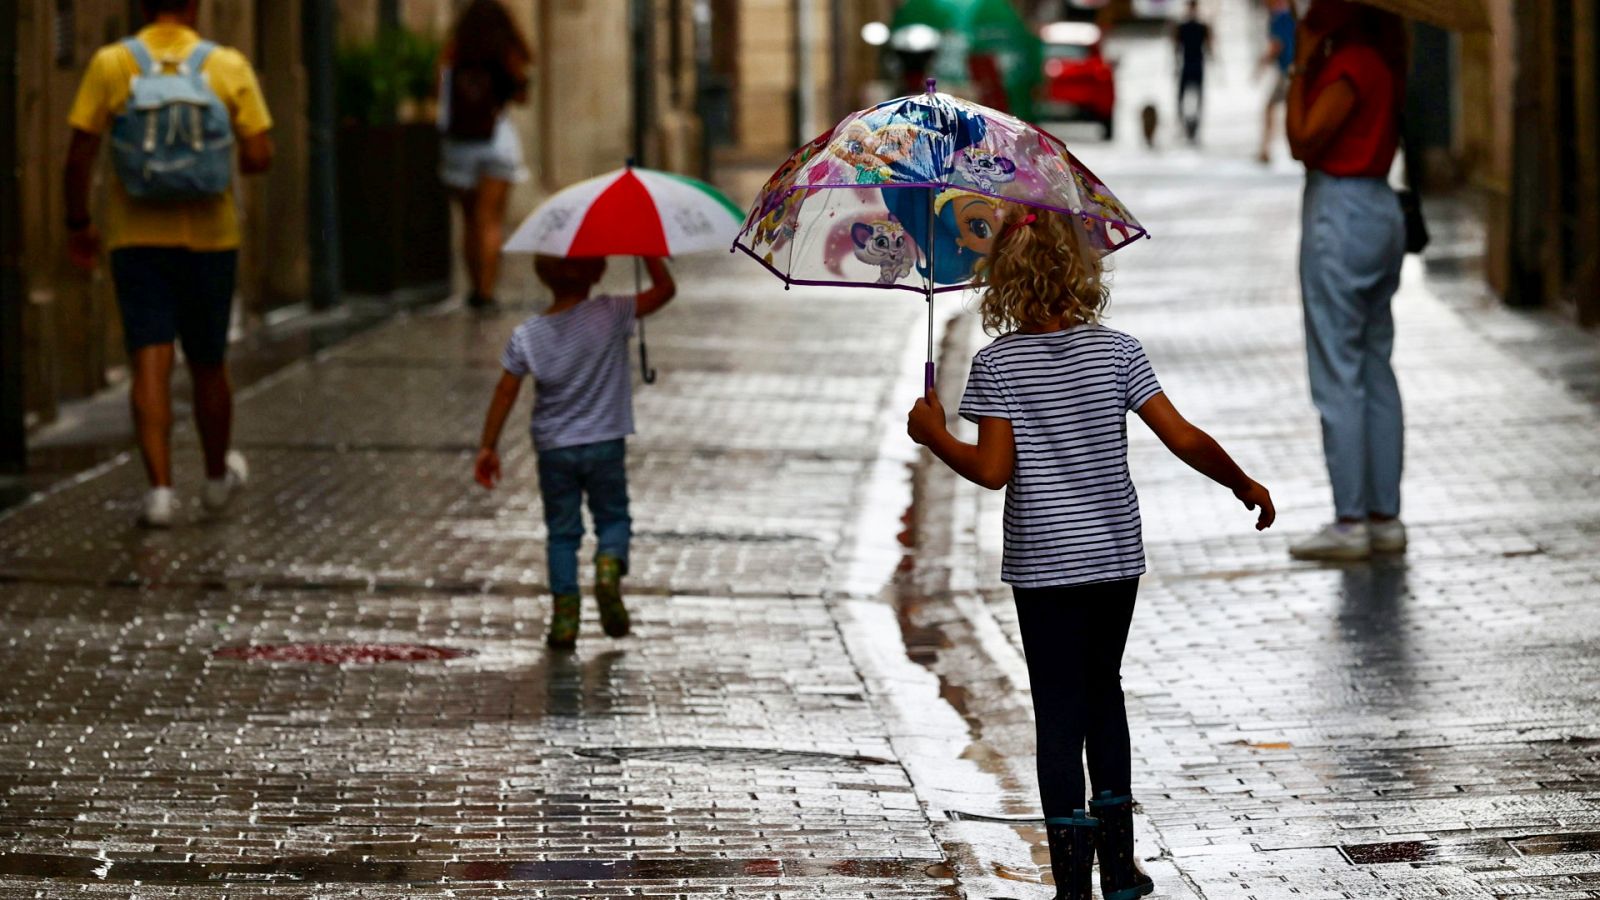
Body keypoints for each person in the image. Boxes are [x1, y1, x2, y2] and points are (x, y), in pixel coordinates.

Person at [905, 210, 1273, 899]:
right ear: (1082, 271)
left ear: (1001, 281)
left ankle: (1072, 879)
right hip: (1112, 559)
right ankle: (1119, 867)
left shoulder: (997, 364)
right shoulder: (1119, 352)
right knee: (1104, 692)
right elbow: (1183, 437)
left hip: (1045, 565)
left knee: (1058, 709)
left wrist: (934, 435)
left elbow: (991, 471)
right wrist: (1240, 481)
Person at [63, 0, 274, 527]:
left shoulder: (113, 64)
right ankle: (215, 478)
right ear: (195, 8)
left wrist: (78, 224)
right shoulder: (226, 65)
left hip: (135, 237)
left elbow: (79, 152)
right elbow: (261, 154)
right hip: (212, 237)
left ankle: (159, 492)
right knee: (208, 363)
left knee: (149, 361)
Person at [473, 255, 675, 649]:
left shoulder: (527, 334)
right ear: (598, 271)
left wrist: (488, 446)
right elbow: (665, 292)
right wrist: (650, 254)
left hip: (554, 450)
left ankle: (565, 616)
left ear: (541, 274)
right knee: (613, 518)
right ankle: (607, 566)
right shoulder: (613, 311)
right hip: (605, 443)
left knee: (562, 535)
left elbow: (506, 390)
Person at [1285, 0, 1409, 561]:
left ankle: (1351, 520)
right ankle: (1383, 515)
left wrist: (1300, 67)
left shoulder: (1349, 65)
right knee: (1373, 363)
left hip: (1342, 208)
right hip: (1379, 205)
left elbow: (1303, 140)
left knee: (1339, 367)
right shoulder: (1384, 58)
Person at [439, 0, 532, 311]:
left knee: (469, 220)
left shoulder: (455, 49)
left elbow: (437, 88)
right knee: (490, 219)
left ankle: (473, 289)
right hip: (497, 137)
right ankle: (487, 291)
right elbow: (521, 95)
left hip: (461, 141)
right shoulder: (506, 51)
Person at [1257, 0, 1297, 163]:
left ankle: (1266, 149)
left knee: (1271, 108)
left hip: (1288, 71)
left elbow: (1277, 45)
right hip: (1293, 70)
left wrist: (1261, 65)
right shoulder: (1289, 16)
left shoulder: (1278, 19)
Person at [1172, 0, 1212, 144]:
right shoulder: (1183, 26)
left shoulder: (1202, 26)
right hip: (1188, 64)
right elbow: (1176, 46)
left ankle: (1196, 126)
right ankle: (1183, 124)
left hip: (1196, 64)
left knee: (1197, 97)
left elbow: (1209, 45)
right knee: (1182, 97)